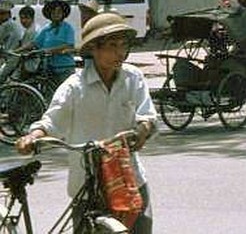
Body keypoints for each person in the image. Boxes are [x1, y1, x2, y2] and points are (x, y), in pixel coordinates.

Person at [17, 12, 157, 233]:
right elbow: (51, 122)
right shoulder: (74, 88)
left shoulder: (133, 78)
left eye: (123, 45)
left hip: (129, 178)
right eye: (112, 45)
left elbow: (146, 116)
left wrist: (142, 130)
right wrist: (33, 137)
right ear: (93, 48)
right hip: (87, 183)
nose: (119, 53)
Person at [33, 0, 76, 89]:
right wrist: (18, 50)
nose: (56, 14)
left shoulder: (67, 28)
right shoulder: (46, 28)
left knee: (66, 92)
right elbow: (35, 43)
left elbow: (69, 45)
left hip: (64, 67)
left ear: (63, 14)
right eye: (53, 12)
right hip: (50, 68)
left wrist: (49, 50)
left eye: (59, 12)